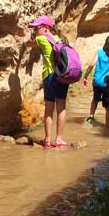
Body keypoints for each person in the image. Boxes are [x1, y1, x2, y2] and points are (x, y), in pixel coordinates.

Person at [27, 15, 69, 149]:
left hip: (50, 76)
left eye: (36, 28)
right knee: (61, 107)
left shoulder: (41, 38)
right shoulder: (60, 40)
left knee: (49, 109)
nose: (34, 31)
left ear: (45, 28)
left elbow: (29, 44)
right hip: (63, 76)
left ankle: (47, 140)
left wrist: (25, 41)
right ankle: (59, 139)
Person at [82, 38, 109, 125]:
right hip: (107, 83)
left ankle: (91, 117)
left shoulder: (99, 52)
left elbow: (91, 65)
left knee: (95, 99)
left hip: (97, 81)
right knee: (107, 106)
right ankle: (107, 126)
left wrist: (85, 76)